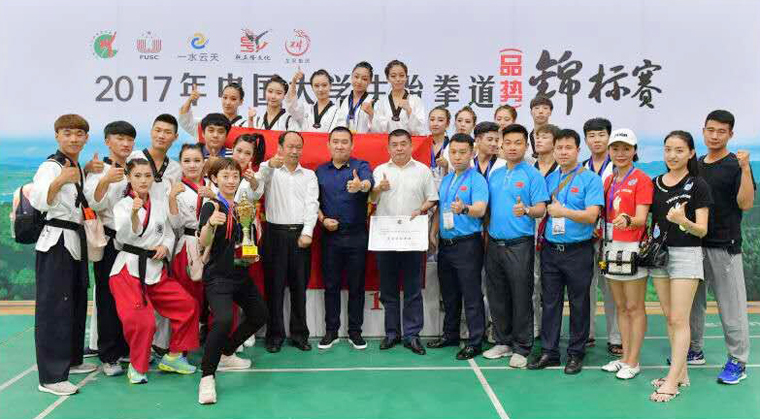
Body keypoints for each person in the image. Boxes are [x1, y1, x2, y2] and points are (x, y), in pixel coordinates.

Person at [110, 158, 199, 384]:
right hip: (127, 270)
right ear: (128, 177)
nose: (143, 180)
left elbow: (168, 233)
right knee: (143, 321)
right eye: (137, 176)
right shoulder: (122, 206)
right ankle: (137, 367)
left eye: (147, 176)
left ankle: (174, 356)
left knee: (187, 305)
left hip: (155, 269)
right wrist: (133, 214)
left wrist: (165, 247)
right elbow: (123, 238)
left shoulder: (159, 204)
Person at [31, 114, 98, 395]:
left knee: (76, 302)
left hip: (74, 239)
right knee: (54, 309)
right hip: (55, 241)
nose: (73, 138)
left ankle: (72, 360)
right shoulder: (51, 166)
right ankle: (51, 377)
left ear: (86, 138)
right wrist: (60, 180)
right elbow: (38, 200)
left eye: (79, 134)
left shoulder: (75, 165)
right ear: (57, 135)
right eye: (67, 133)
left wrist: (86, 172)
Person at [527, 129, 603, 375]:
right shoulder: (549, 179)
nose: (563, 152)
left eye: (568, 147)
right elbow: (540, 208)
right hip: (551, 250)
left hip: (578, 251)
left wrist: (564, 213)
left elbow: (591, 216)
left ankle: (576, 353)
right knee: (550, 302)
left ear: (578, 150)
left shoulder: (590, 179)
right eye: (559, 148)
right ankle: (549, 352)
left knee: (579, 303)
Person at [689, 110, 755, 384]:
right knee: (693, 305)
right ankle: (694, 350)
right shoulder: (695, 165)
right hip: (694, 245)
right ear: (703, 131)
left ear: (730, 134)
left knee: (732, 307)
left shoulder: (735, 165)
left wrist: (745, 169)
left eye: (721, 131)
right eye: (710, 130)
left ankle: (738, 361)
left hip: (724, 246)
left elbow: (745, 203)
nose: (715, 136)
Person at [197, 158, 268, 405]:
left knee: (260, 314)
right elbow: (203, 241)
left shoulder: (241, 207)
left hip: (241, 274)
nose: (230, 181)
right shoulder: (212, 206)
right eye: (225, 176)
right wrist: (209, 224)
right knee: (224, 320)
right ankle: (207, 376)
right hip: (218, 276)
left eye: (234, 176)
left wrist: (251, 252)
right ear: (214, 179)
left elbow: (244, 239)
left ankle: (227, 353)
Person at [649, 130, 712, 402]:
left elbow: (702, 230)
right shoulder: (655, 183)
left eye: (679, 150)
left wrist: (682, 221)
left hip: (686, 254)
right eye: (668, 149)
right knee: (669, 318)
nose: (672, 155)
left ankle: (672, 381)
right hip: (659, 255)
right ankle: (682, 373)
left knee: (678, 319)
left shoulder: (698, 185)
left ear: (690, 153)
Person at [482, 124, 549, 367]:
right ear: (501, 145)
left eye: (518, 143)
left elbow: (541, 208)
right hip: (494, 243)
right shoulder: (495, 174)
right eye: (508, 142)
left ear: (526, 146)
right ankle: (503, 341)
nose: (512, 147)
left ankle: (522, 347)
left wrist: (527, 210)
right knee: (497, 295)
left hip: (520, 245)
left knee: (521, 296)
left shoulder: (533, 175)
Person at [371, 129, 438, 355]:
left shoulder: (423, 171)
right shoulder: (380, 170)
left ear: (410, 146)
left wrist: (420, 209)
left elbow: (432, 199)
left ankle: (412, 335)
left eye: (403, 144)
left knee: (412, 288)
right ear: (388, 148)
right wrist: (378, 188)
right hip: (386, 237)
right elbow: (370, 200)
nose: (399, 148)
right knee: (388, 289)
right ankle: (391, 333)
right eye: (394, 144)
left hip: (412, 237)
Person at [427, 133, 488, 360]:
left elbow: (480, 209)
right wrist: (433, 233)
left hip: (467, 244)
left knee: (471, 295)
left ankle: (475, 341)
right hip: (446, 245)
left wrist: (464, 208)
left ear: (472, 153)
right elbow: (440, 210)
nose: (457, 156)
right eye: (453, 152)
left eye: (463, 152)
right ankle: (450, 334)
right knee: (449, 294)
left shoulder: (477, 180)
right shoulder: (447, 179)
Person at [257, 131, 319, 353]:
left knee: (299, 288)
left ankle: (299, 334)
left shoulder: (309, 175)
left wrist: (308, 232)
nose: (294, 151)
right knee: (273, 289)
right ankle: (274, 335)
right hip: (274, 234)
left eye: (298, 147)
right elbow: (255, 189)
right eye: (290, 146)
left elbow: (312, 205)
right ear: (280, 147)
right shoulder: (269, 170)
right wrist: (267, 166)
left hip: (300, 235)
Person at [598, 129, 653, 380]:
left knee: (634, 306)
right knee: (620, 306)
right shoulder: (609, 181)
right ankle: (624, 358)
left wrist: (628, 220)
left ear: (634, 151)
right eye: (616, 148)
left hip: (632, 248)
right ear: (609, 151)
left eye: (626, 149)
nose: (620, 153)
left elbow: (641, 218)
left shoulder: (641, 179)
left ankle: (634, 360)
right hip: (611, 247)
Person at [83, 121, 136, 377]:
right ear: (107, 141)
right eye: (119, 138)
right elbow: (92, 202)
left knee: (131, 298)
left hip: (133, 243)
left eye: (129, 139)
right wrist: (105, 180)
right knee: (107, 298)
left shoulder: (134, 169)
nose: (125, 144)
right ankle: (109, 355)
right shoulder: (99, 169)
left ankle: (126, 347)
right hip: (110, 241)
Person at [127, 114, 182, 356]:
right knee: (135, 297)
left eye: (167, 132)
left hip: (164, 234)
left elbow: (173, 202)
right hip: (135, 233)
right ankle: (133, 348)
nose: (161, 135)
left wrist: (167, 241)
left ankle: (159, 344)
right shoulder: (134, 158)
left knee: (162, 291)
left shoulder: (175, 168)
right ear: (150, 131)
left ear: (175, 137)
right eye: (158, 130)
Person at [315, 127, 374, 350]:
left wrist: (361, 186)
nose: (340, 146)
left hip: (357, 236)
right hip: (330, 237)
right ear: (328, 145)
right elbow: (313, 202)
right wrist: (322, 220)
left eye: (344, 142)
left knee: (357, 286)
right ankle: (331, 331)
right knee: (331, 285)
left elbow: (369, 183)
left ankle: (355, 332)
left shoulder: (361, 166)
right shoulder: (320, 171)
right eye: (336, 141)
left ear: (352, 145)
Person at [581, 117, 621, 356]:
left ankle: (616, 337)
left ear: (609, 137)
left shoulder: (619, 167)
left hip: (612, 236)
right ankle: (586, 333)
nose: (596, 140)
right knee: (585, 286)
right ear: (585, 140)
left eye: (601, 135)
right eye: (591, 136)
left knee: (611, 287)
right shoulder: (581, 168)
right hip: (586, 235)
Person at [530, 124, 559, 339]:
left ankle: (551, 331)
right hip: (529, 230)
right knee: (531, 281)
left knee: (551, 287)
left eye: (544, 137)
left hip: (556, 232)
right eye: (536, 137)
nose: (538, 140)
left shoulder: (562, 169)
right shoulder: (527, 167)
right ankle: (533, 327)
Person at [369, 60, 426, 135]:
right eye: (393, 76)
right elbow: (377, 131)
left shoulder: (415, 100)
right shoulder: (381, 102)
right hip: (388, 141)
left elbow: (420, 130)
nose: (398, 79)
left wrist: (409, 110)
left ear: (406, 77)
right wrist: (371, 113)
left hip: (409, 141)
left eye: (401, 75)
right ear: (388, 78)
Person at [179, 82, 249, 142]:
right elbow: (186, 122)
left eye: (233, 99)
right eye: (225, 97)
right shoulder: (207, 122)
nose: (228, 102)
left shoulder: (246, 126)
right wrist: (189, 100)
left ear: (241, 101)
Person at [286, 68, 341, 133]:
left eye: (324, 85)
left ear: (330, 86)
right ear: (312, 87)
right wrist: (294, 81)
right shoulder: (306, 109)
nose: (320, 89)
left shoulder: (338, 112)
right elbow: (292, 107)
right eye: (316, 86)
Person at [333, 61, 375, 133]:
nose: (359, 81)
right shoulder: (341, 101)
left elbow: (380, 130)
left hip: (364, 140)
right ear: (351, 77)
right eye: (356, 77)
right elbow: (335, 126)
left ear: (370, 81)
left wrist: (372, 114)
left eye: (364, 79)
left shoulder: (374, 102)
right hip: (344, 139)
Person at [428, 105, 451, 182]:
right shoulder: (422, 144)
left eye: (440, 120)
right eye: (432, 119)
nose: (435, 123)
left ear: (447, 124)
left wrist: (447, 166)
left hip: (446, 186)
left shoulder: (452, 146)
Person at [527, 95, 553, 161]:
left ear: (550, 112)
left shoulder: (558, 136)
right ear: (531, 112)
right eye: (537, 108)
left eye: (545, 108)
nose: (541, 111)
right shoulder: (525, 138)